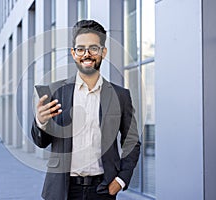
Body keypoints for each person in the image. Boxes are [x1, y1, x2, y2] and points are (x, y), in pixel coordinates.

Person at [31, 19, 140, 200]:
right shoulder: (55, 92)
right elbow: (41, 142)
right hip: (62, 191)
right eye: (80, 49)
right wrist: (41, 122)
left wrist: (121, 180)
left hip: (103, 190)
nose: (86, 54)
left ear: (103, 52)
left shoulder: (120, 96)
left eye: (93, 48)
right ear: (74, 53)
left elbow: (132, 141)